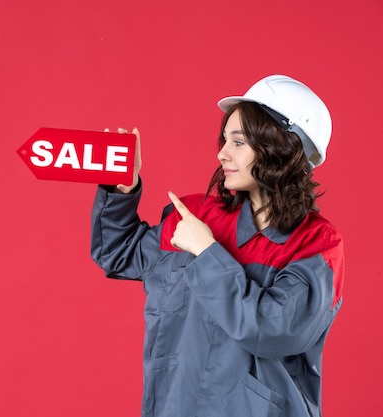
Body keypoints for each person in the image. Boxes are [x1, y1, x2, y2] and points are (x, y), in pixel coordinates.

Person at [91, 75, 344, 417]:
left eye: (238, 143)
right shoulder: (195, 215)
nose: (222, 152)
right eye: (224, 140)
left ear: (281, 147)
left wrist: (208, 253)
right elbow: (118, 255)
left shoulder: (315, 245)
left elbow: (272, 329)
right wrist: (121, 190)